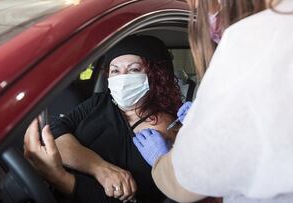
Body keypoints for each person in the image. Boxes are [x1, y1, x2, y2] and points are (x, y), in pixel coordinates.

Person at [133, 0, 293, 203]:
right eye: (114, 71)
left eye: (197, 3)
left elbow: (187, 181)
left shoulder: (251, 40)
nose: (199, 10)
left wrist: (160, 160)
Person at [23, 35, 182, 203]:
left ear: (155, 76)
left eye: (134, 69)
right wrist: (99, 168)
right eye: (115, 70)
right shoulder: (100, 102)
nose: (122, 78)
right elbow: (56, 131)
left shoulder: (165, 132)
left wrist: (60, 178)